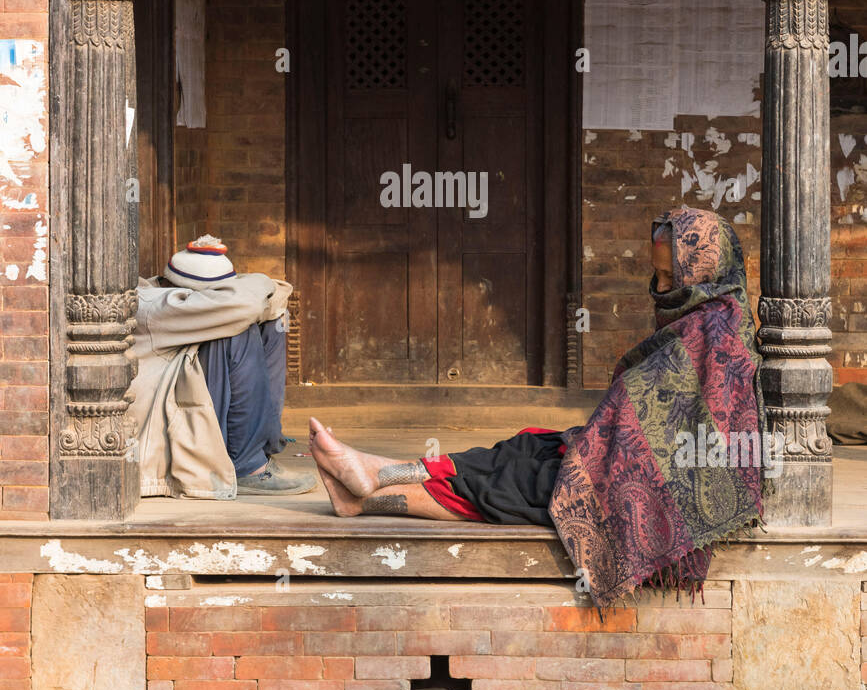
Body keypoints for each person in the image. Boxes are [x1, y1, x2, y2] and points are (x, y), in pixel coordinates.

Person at [309, 206, 766, 608]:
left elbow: (686, 426)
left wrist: (601, 448)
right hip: (621, 454)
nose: (660, 288)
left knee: (508, 486)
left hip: (651, 480)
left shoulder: (715, 333)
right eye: (658, 275)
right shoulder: (706, 315)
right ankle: (377, 472)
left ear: (703, 273)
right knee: (521, 448)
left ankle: (368, 495)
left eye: (671, 279)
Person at [129, 235, 316, 499]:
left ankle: (264, 447)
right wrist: (250, 281)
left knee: (275, 321)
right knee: (238, 331)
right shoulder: (155, 304)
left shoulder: (185, 298)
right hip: (169, 423)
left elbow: (279, 294)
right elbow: (250, 302)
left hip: (195, 405)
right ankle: (247, 466)